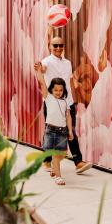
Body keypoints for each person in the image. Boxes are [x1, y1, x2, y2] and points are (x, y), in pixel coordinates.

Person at [34, 36, 92, 174]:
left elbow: (70, 81)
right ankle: (47, 160)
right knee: (50, 131)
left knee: (70, 130)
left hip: (68, 102)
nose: (58, 48)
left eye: (61, 45)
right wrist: (39, 69)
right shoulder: (46, 61)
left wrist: (75, 99)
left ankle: (78, 162)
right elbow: (42, 71)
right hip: (52, 104)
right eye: (55, 46)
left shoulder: (67, 63)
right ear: (50, 47)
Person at [34, 69, 73, 186]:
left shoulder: (65, 101)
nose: (58, 92)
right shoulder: (48, 98)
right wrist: (38, 71)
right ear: (51, 90)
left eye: (61, 90)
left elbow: (68, 117)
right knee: (56, 155)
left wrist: (70, 131)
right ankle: (58, 176)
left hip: (62, 131)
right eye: (55, 90)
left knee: (62, 154)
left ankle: (54, 168)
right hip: (51, 130)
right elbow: (42, 82)